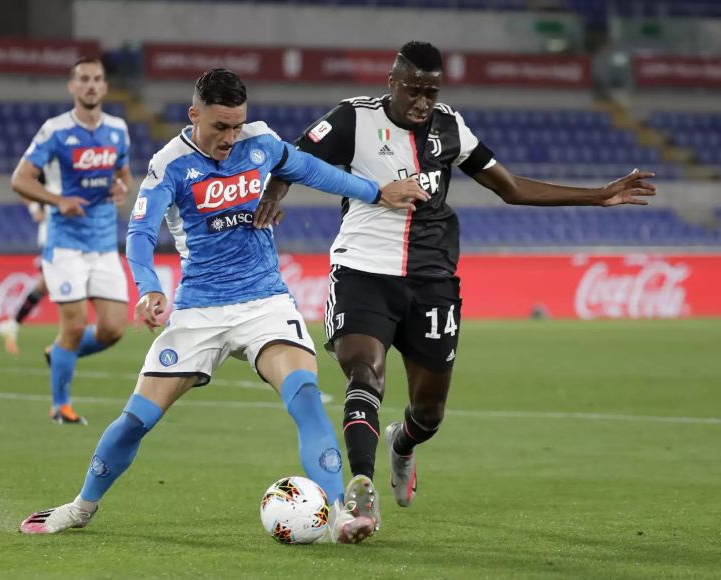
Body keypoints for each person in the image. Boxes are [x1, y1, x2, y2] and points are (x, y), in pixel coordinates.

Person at [254, 41, 657, 534]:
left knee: (429, 412)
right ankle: (359, 496)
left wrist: (598, 196)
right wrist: (274, 196)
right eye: (413, 91)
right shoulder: (351, 119)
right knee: (365, 375)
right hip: (362, 271)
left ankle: (403, 443)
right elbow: (293, 159)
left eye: (430, 92)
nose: (422, 103)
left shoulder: (449, 126)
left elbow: (509, 187)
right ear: (392, 83)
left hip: (432, 281)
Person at [18, 68, 429, 543]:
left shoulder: (261, 143)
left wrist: (376, 192)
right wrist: (149, 287)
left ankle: (341, 513)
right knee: (136, 421)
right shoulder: (169, 164)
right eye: (220, 127)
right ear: (195, 115)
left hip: (264, 301)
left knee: (307, 400)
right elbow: (140, 232)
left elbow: (314, 171)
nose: (231, 138)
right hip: (199, 310)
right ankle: (80, 508)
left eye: (237, 125)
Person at [11, 57, 133, 425]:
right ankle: (60, 406)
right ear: (72, 87)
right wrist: (58, 201)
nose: (91, 85)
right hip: (65, 244)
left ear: (105, 87)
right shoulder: (56, 131)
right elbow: (21, 179)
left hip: (103, 242)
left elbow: (124, 173)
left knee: (113, 329)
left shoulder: (118, 130)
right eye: (84, 79)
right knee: (75, 324)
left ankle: (60, 352)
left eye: (97, 79)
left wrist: (121, 188)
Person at [0, 200, 49, 356]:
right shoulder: (46, 176)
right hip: (54, 235)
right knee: (56, 284)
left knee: (47, 284)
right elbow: (22, 181)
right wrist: (35, 209)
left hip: (65, 234)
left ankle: (12, 324)